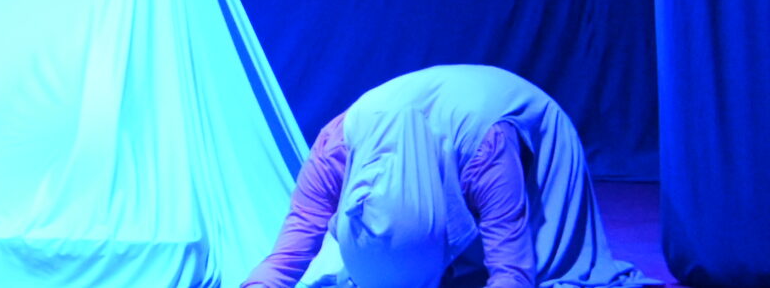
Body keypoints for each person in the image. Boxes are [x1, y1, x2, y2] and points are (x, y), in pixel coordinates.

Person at [241, 66, 641, 288]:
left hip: (518, 125)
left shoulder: (487, 153)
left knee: (551, 269)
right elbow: (288, 253)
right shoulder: (333, 149)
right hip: (449, 140)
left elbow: (512, 269)